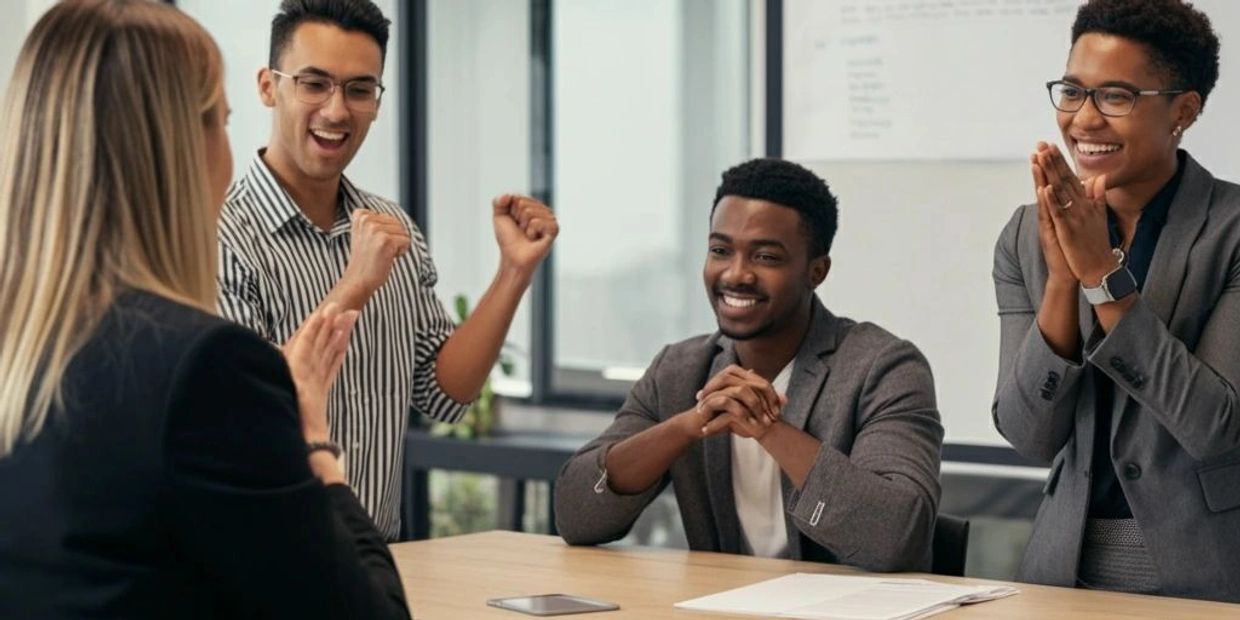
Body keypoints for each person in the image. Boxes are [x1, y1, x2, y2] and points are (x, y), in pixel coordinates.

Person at [0, 1, 410, 617]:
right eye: (220, 121)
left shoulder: (24, 350)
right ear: (174, 152)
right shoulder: (206, 370)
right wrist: (315, 447)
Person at [216, 0, 558, 540]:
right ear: (267, 86)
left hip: (377, 559)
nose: (336, 111)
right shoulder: (221, 235)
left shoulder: (392, 227)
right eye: (313, 83)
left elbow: (447, 394)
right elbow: (248, 409)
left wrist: (513, 273)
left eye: (358, 90)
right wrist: (356, 285)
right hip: (265, 563)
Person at [555, 159, 942, 572]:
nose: (736, 274)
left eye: (766, 257)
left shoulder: (883, 368)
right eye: (720, 251)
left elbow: (896, 537)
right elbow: (576, 516)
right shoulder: (679, 369)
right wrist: (689, 425)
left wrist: (767, 428)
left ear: (816, 271)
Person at [992, 0, 1240, 601]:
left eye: (1117, 97)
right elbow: (1030, 433)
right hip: (1062, 568)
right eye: (1072, 91)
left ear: (1184, 110)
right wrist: (1060, 278)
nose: (1084, 119)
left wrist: (1102, 278)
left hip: (1207, 573)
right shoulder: (1026, 233)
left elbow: (1217, 427)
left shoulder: (1231, 231)